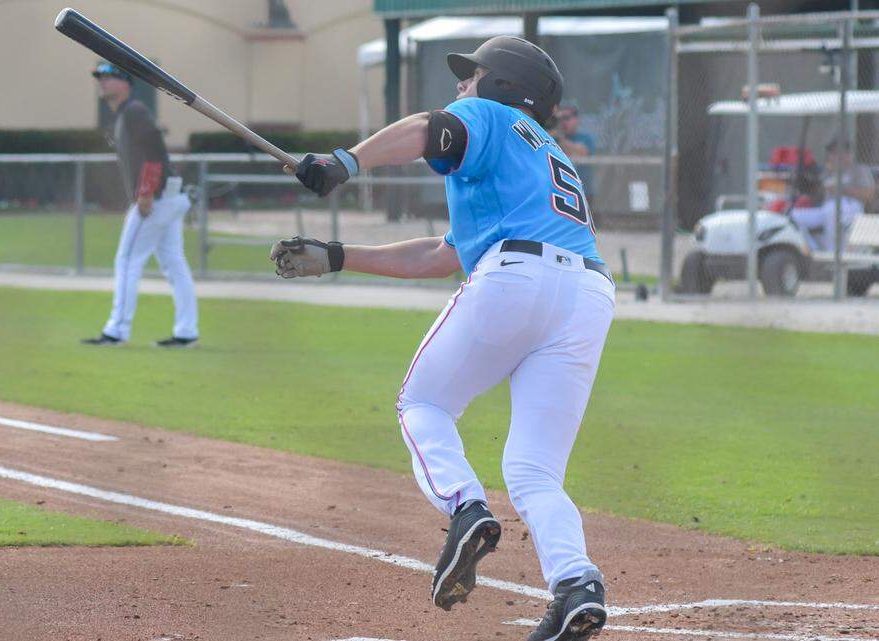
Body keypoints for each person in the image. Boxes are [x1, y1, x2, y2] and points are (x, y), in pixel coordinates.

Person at [270, 37, 613, 641]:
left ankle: (465, 507)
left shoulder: (491, 116)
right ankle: (577, 584)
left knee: (422, 403)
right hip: (587, 295)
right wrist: (338, 255)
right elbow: (442, 253)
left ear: (505, 86)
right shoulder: (544, 155)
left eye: (472, 75)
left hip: (518, 277)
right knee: (534, 471)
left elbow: (430, 129)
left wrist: (343, 163)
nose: (461, 86)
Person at [82, 62, 199, 348]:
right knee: (174, 263)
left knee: (126, 261)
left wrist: (146, 191)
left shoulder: (134, 112)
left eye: (109, 77)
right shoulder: (127, 114)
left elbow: (154, 150)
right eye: (100, 78)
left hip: (157, 197)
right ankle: (186, 332)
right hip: (170, 196)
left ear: (126, 83)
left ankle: (116, 331)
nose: (102, 82)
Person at [791, 137, 872, 252]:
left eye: (836, 153)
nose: (833, 156)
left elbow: (869, 195)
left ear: (848, 154)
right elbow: (818, 197)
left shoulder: (858, 170)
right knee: (793, 216)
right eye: (831, 153)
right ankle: (813, 251)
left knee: (833, 210)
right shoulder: (828, 172)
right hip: (826, 208)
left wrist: (841, 189)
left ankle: (833, 256)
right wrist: (808, 194)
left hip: (852, 208)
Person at [550, 104, 596, 208]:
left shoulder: (585, 138)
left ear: (576, 120)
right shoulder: (552, 139)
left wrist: (560, 139)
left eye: (567, 118)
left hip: (584, 191)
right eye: (560, 119)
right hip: (562, 191)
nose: (563, 122)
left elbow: (583, 152)